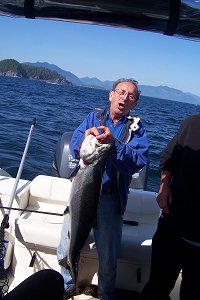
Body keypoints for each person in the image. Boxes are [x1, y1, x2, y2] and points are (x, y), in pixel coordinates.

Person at [57, 78, 149, 300]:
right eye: (121, 92)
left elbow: (137, 160)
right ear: (111, 94)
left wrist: (113, 144)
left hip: (110, 201)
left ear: (134, 104)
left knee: (108, 258)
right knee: (67, 247)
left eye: (131, 96)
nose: (124, 98)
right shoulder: (94, 116)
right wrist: (84, 139)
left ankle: (107, 295)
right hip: (82, 195)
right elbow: (78, 141)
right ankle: (67, 286)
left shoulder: (135, 129)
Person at [141, 114, 200, 300]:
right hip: (171, 227)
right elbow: (168, 156)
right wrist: (164, 186)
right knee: (156, 289)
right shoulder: (193, 123)